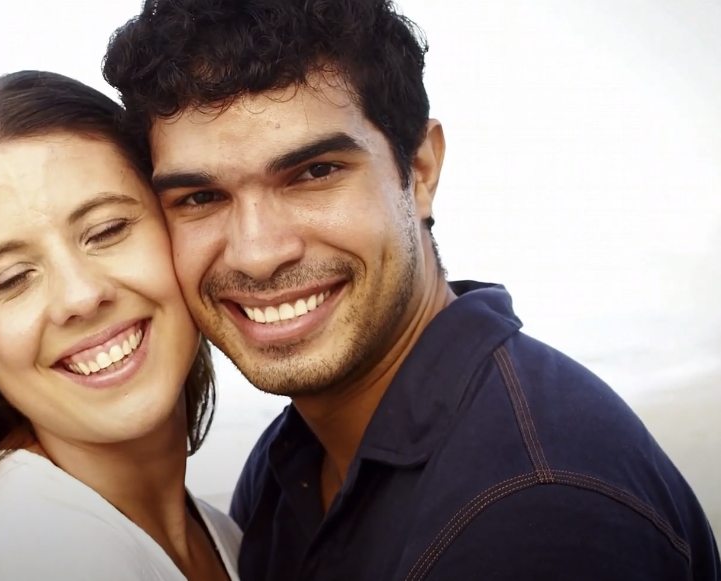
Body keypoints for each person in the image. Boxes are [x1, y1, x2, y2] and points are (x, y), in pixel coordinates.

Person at [101, 1, 721, 580]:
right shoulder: (289, 461)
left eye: (315, 173)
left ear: (419, 172)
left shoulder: (537, 511)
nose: (259, 254)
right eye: (201, 197)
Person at [0, 70, 240, 581]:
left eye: (107, 230)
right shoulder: (35, 552)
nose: (81, 296)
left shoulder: (229, 536)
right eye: (11, 279)